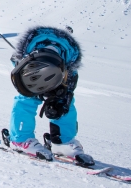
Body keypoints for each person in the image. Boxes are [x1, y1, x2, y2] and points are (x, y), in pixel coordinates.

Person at [6, 26, 92, 164]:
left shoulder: (70, 61)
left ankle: (62, 142)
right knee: (27, 98)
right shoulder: (24, 53)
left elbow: (68, 88)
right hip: (33, 65)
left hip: (59, 68)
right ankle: (20, 139)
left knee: (64, 101)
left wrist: (59, 95)